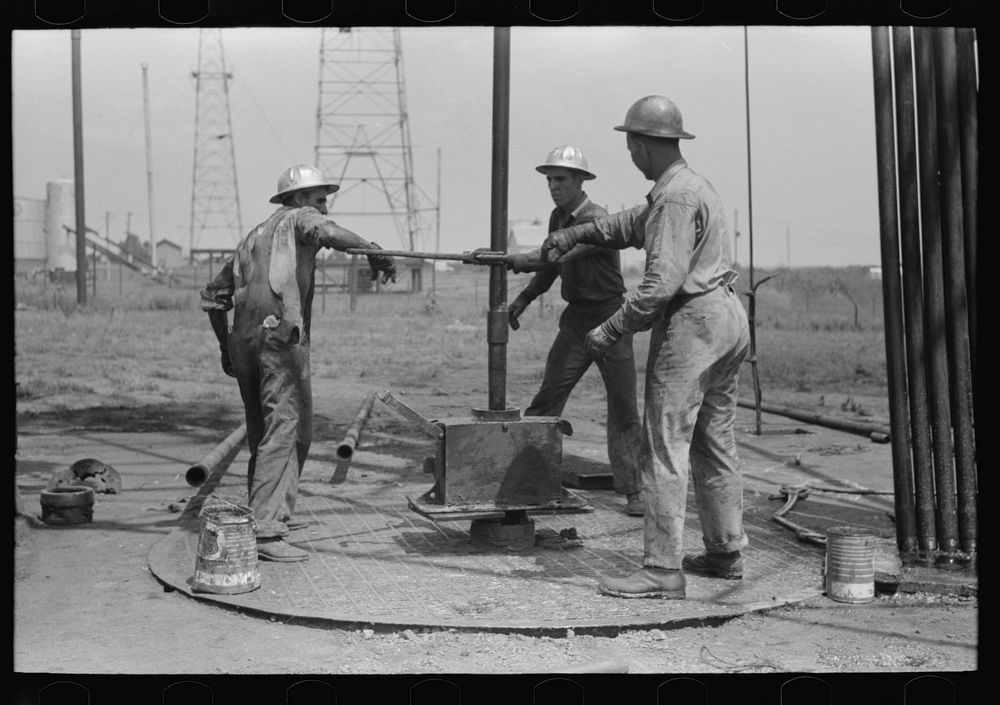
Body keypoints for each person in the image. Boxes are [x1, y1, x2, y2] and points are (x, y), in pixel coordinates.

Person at [541, 96, 751, 599]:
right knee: (714, 440)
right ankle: (725, 552)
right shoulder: (686, 188)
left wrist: (610, 330)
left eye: (630, 144)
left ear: (639, 145)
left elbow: (659, 285)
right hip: (727, 319)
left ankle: (661, 570)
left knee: (663, 443)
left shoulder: (674, 199)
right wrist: (574, 236)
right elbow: (624, 225)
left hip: (694, 324)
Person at [200, 164, 397, 562]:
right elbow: (326, 232)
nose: (324, 207)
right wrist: (373, 251)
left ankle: (273, 512)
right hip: (279, 340)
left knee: (266, 429)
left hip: (244, 343)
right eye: (320, 198)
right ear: (300, 199)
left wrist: (226, 348)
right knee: (287, 429)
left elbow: (213, 298)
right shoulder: (300, 219)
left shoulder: (252, 237)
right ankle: (268, 531)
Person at [505, 145, 643, 516]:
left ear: (581, 181)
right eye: (549, 180)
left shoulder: (596, 218)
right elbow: (551, 269)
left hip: (611, 318)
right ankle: (525, 478)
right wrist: (524, 298)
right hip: (577, 319)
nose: (553, 186)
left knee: (624, 406)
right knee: (548, 399)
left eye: (561, 179)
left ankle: (633, 490)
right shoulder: (557, 217)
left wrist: (519, 259)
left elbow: (562, 255)